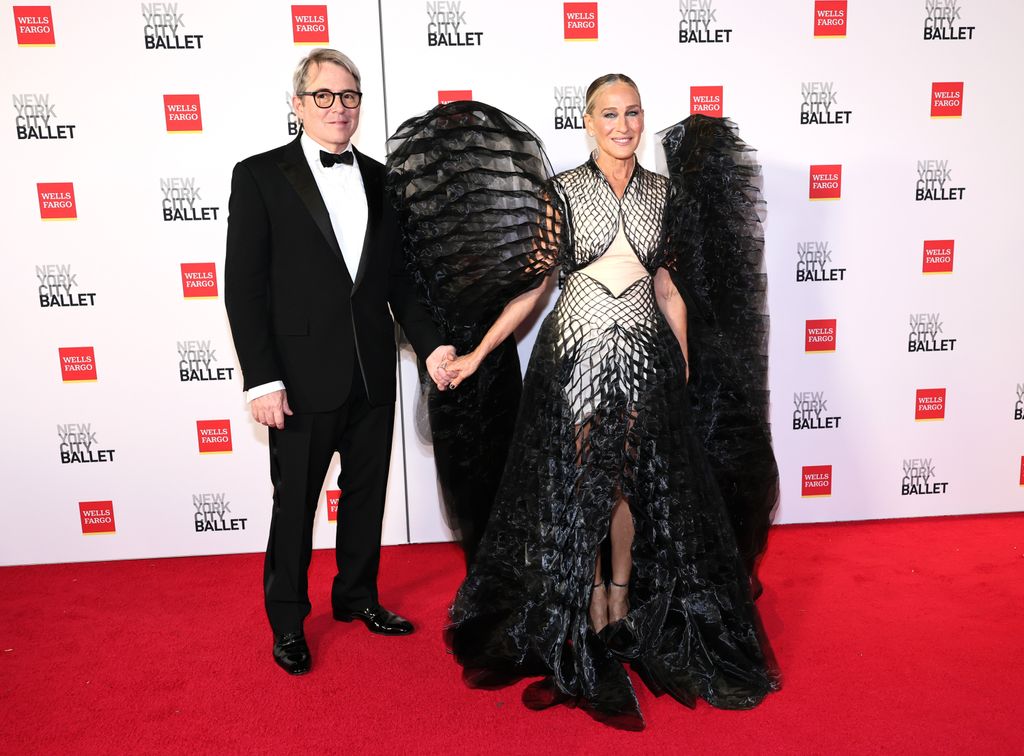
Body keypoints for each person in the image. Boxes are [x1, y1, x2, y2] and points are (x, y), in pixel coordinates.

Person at [434, 75, 780, 729]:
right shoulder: (562, 191)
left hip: (647, 355)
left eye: (633, 113)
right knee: (584, 480)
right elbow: (532, 289)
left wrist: (679, 357)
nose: (623, 125)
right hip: (576, 357)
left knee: (626, 480)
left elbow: (669, 287)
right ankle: (589, 595)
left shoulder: (663, 193)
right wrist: (478, 354)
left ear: (642, 120)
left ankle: (620, 590)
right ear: (589, 121)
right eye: (610, 114)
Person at [224, 48, 456, 676]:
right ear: (298, 105)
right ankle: (288, 621)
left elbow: (398, 281)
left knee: (364, 497)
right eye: (323, 96)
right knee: (294, 504)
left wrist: (432, 342)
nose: (339, 107)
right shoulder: (259, 176)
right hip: (297, 379)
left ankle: (356, 597)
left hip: (371, 369)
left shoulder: (384, 179)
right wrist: (261, 379)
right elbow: (242, 288)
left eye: (349, 96)